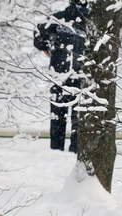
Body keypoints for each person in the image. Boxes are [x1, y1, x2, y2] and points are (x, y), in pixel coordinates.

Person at [34, 0, 88, 152]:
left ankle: (56, 148)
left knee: (58, 114)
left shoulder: (57, 19)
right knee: (79, 115)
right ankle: (76, 148)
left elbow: (38, 35)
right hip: (81, 74)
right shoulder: (92, 21)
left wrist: (46, 47)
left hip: (58, 73)